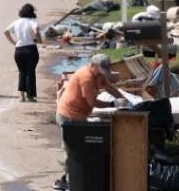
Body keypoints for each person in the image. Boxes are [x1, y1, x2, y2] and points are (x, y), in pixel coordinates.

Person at [53, 54, 126, 191]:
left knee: (80, 149)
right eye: (100, 70)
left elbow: (109, 87)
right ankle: (65, 181)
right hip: (68, 115)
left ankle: (76, 177)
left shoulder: (97, 75)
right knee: (71, 150)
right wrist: (113, 103)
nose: (102, 74)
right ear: (93, 66)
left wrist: (123, 99)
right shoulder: (86, 77)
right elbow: (91, 103)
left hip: (79, 115)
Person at [3, 3, 41, 102]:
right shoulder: (33, 21)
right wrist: (38, 39)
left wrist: (14, 42)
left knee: (22, 72)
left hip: (19, 50)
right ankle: (30, 96)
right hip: (31, 49)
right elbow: (36, 30)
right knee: (30, 72)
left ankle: (22, 96)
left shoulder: (16, 22)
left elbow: (5, 31)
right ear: (32, 12)